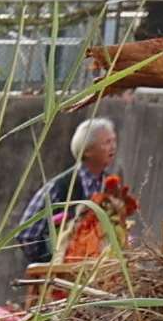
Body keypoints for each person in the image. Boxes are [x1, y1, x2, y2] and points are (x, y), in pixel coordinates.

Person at [14, 119, 135, 279]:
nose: (113, 147)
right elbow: (27, 234)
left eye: (114, 141)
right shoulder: (61, 186)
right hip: (62, 282)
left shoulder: (112, 186)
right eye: (106, 142)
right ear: (87, 151)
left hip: (101, 279)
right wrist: (52, 262)